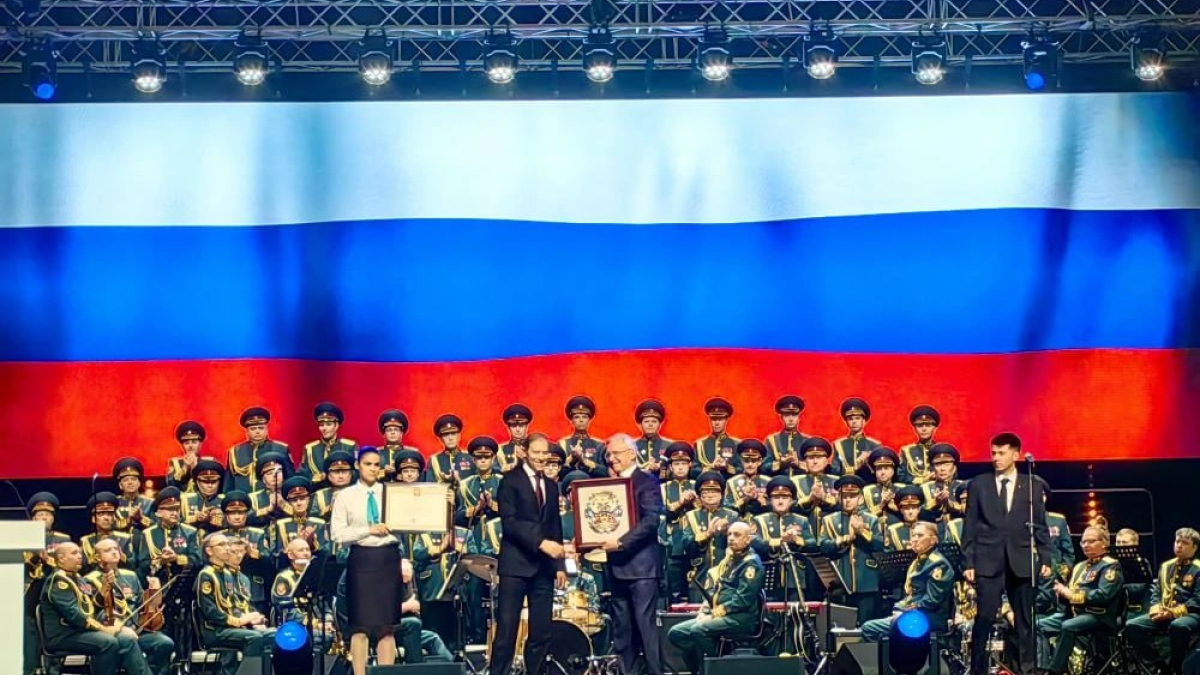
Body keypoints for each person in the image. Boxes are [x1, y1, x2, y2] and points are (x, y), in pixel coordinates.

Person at [963, 432, 1051, 675]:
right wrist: (968, 562)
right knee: (984, 617)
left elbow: (1040, 524)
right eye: (993, 453)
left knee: (1024, 620)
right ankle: (977, 669)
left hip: (1020, 560)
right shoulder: (979, 484)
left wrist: (1045, 556)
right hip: (988, 560)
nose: (996, 458)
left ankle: (1026, 669)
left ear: (1016, 454)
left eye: (1001, 453)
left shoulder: (1032, 484)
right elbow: (970, 525)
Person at [489, 432, 568, 675]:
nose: (542, 458)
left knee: (541, 631)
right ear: (524, 452)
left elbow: (554, 526)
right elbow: (510, 522)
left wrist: (560, 565)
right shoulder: (510, 481)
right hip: (515, 566)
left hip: (543, 569)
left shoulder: (552, 486)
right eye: (537, 452)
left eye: (545, 453)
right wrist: (541, 543)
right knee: (507, 630)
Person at [331, 446, 403, 675]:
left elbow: (413, 520)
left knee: (387, 626)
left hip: (388, 560)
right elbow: (337, 535)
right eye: (368, 464)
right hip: (362, 560)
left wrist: (445, 502)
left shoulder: (392, 493)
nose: (373, 469)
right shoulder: (345, 496)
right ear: (357, 466)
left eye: (376, 465)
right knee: (360, 626)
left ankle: (385, 673)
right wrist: (368, 530)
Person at [601, 433, 666, 675]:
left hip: (642, 569)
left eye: (616, 453)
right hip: (616, 567)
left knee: (645, 628)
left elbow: (650, 521)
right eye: (609, 455)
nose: (611, 458)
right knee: (622, 631)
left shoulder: (646, 481)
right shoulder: (609, 485)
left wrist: (620, 542)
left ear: (631, 454)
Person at [39, 542, 153, 675]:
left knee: (120, 639)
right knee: (108, 642)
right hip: (64, 634)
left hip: (79, 631)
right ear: (61, 558)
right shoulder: (59, 581)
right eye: (74, 553)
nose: (80, 556)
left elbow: (91, 607)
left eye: (80, 552)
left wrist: (103, 589)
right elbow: (75, 615)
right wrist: (104, 628)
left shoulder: (77, 577)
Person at [667, 521, 765, 674]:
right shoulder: (730, 560)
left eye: (737, 535)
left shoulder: (751, 564)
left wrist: (721, 610)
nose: (731, 538)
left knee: (698, 630)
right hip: (719, 614)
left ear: (748, 539)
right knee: (676, 633)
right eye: (729, 534)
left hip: (741, 618)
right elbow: (717, 589)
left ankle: (714, 668)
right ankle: (703, 667)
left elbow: (743, 599)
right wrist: (705, 612)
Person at [1037, 525, 1123, 675]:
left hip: (1099, 616)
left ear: (1104, 543)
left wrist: (1071, 595)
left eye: (1091, 541)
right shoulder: (1079, 567)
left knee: (1068, 625)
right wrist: (1060, 593)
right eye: (1083, 542)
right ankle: (1041, 669)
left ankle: (1054, 671)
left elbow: (1103, 595)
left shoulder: (1110, 565)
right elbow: (1068, 594)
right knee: (1038, 625)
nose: (1086, 545)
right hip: (1073, 613)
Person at [84, 537, 176, 674]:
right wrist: (120, 629)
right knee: (128, 639)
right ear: (97, 557)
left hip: (137, 629)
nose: (114, 552)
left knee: (164, 643)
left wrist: (153, 593)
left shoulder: (130, 575)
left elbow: (142, 605)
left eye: (116, 549)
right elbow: (94, 612)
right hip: (110, 632)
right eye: (108, 550)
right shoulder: (90, 579)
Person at [862, 522, 955, 641]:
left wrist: (905, 612)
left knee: (868, 628)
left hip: (929, 618)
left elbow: (931, 601)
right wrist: (899, 608)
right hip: (916, 615)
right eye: (913, 535)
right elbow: (911, 595)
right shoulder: (918, 561)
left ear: (933, 540)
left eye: (920, 536)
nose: (915, 539)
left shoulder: (938, 564)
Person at [1126, 527, 1200, 674]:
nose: (1179, 545)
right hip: (1164, 612)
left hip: (1191, 613)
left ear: (1195, 547)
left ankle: (1176, 667)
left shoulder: (1197, 568)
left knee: (1179, 625)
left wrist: (1173, 613)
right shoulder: (1166, 566)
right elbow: (1157, 590)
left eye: (1185, 543)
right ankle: (1159, 665)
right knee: (1132, 625)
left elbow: (1198, 599)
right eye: (1177, 541)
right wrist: (1155, 607)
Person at [196, 532, 269, 675]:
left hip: (233, 627)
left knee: (273, 636)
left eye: (228, 544)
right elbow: (209, 610)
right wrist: (239, 621)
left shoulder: (228, 574)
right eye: (222, 545)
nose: (227, 548)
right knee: (254, 638)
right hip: (215, 630)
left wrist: (253, 619)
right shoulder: (206, 574)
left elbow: (235, 604)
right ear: (209, 551)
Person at [223, 408, 289, 494]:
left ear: (266, 429)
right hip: (243, 500)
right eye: (253, 429)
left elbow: (289, 479)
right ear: (247, 431)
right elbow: (229, 483)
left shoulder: (281, 449)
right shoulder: (235, 452)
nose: (257, 432)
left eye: (261, 428)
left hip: (271, 499)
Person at [302, 402, 359, 484]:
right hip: (318, 489)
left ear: (336, 426)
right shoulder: (310, 449)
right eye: (321, 425)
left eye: (328, 424)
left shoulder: (350, 446)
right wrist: (314, 478)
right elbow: (302, 474)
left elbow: (358, 472)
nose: (324, 428)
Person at [831, 397, 881, 478]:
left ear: (864, 421)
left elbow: (880, 471)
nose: (854, 422)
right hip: (846, 483)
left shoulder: (874, 445)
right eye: (850, 419)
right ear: (846, 423)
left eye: (858, 418)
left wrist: (867, 461)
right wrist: (851, 470)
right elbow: (834, 470)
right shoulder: (839, 444)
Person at [560, 396, 608, 478]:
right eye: (576, 417)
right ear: (571, 421)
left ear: (589, 420)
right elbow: (556, 472)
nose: (581, 420)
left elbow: (606, 472)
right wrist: (572, 458)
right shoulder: (563, 444)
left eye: (584, 417)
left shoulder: (599, 445)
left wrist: (584, 461)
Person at [764, 395, 809, 476]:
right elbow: (763, 467)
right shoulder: (771, 440)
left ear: (799, 417)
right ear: (781, 417)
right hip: (778, 483)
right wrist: (780, 464)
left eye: (794, 415)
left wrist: (798, 464)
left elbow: (817, 466)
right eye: (787, 415)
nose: (791, 419)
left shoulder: (807, 441)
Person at [696, 397, 740, 476]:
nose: (717, 423)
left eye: (720, 419)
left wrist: (727, 467)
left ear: (726, 420)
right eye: (713, 419)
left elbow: (741, 468)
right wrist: (711, 467)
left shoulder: (736, 444)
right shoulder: (700, 444)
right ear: (709, 420)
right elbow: (693, 469)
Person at [499, 404, 534, 472]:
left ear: (527, 426)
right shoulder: (501, 450)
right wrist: (512, 465)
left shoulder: (535, 446)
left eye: (521, 425)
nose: (517, 429)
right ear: (508, 427)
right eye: (513, 425)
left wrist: (526, 458)